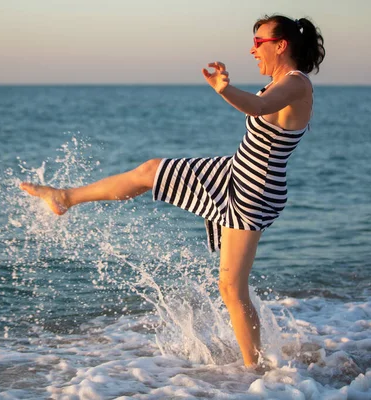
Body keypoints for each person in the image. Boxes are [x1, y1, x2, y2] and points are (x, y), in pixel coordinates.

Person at [20, 14, 325, 368]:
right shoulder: (280, 83)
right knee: (150, 170)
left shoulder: (296, 84)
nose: (252, 50)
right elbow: (260, 110)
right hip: (233, 170)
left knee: (231, 287)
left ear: (280, 44)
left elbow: (258, 107)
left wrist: (225, 89)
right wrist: (229, 91)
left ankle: (253, 370)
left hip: (253, 189)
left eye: (258, 43)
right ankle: (65, 197)